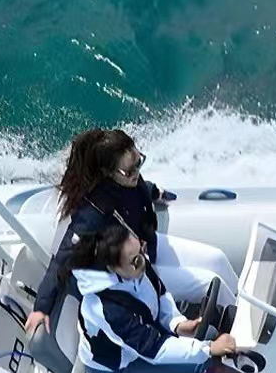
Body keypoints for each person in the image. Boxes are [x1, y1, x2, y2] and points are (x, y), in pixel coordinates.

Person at [24, 128, 237, 337]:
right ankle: (239, 331)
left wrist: (155, 191)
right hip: (133, 271)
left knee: (216, 259)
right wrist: (41, 307)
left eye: (139, 163)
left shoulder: (128, 178)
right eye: (130, 170)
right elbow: (62, 260)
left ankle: (243, 305)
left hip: (146, 247)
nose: (136, 173)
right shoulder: (93, 213)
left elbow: (139, 189)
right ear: (108, 173)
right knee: (208, 281)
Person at [66, 224, 239, 373]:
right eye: (135, 259)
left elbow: (160, 294)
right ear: (112, 268)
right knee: (201, 362)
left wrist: (177, 323)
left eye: (141, 250)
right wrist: (209, 348)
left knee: (197, 348)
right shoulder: (107, 309)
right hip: (120, 365)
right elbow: (153, 349)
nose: (143, 260)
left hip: (141, 341)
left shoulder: (136, 264)